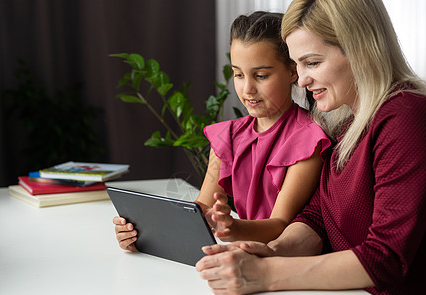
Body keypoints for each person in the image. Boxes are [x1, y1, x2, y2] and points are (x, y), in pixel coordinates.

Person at [195, 1, 426, 295]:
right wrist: (271, 252)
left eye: (312, 63)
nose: (301, 80)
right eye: (297, 64)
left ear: (361, 50)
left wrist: (266, 274)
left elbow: (385, 258)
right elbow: (318, 219)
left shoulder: (409, 117)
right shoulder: (347, 122)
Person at [113, 11, 331, 250]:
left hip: (283, 260)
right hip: (241, 254)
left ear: (292, 71)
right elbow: (201, 211)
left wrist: (234, 228)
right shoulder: (226, 137)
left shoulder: (308, 139)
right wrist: (141, 235)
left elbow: (280, 224)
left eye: (261, 75)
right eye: (238, 74)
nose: (247, 88)